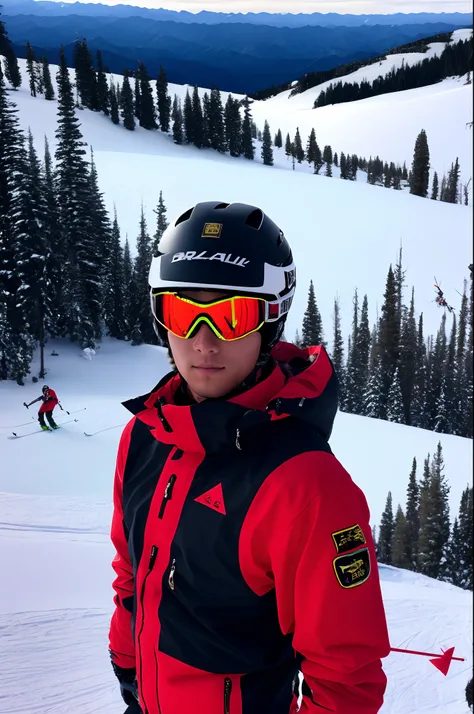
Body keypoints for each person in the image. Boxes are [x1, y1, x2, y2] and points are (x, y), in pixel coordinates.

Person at [109, 202, 390, 714]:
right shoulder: (144, 437)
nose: (202, 342)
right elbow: (132, 568)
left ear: (269, 322)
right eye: (181, 313)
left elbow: (346, 676)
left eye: (231, 317)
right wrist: (127, 663)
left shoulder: (305, 483)